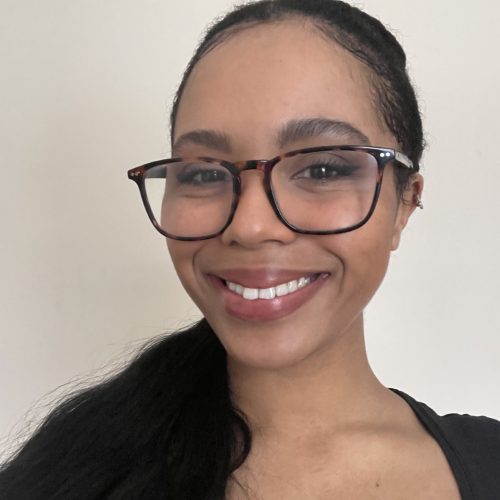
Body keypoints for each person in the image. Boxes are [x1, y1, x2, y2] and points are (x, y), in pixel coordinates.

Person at [1, 0, 499, 499]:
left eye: (322, 169)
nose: (251, 226)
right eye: (202, 174)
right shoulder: (65, 476)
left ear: (404, 203)